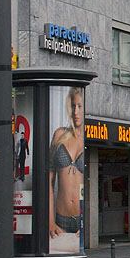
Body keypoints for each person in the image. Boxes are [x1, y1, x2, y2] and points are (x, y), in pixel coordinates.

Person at [48, 87, 85, 244]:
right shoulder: (59, 135)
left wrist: (86, 223)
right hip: (60, 220)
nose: (76, 111)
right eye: (73, 106)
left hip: (81, 220)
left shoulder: (89, 138)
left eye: (80, 106)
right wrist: (50, 221)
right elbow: (48, 183)